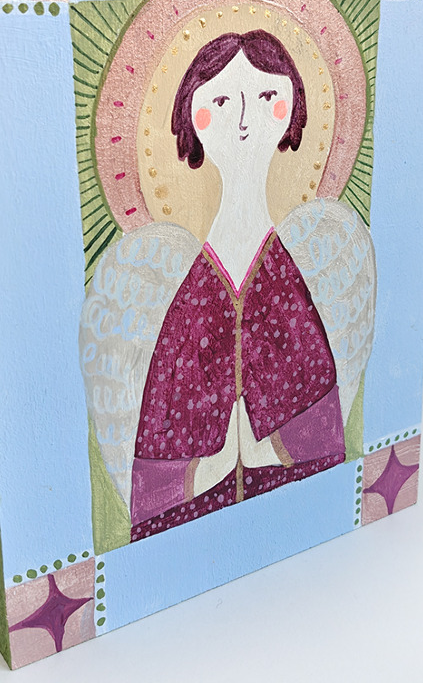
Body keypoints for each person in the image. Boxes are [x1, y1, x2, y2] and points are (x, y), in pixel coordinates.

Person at [129, 30, 346, 540]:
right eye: (223, 101)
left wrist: (265, 448)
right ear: (193, 118)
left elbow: (322, 438)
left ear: (290, 112)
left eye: (266, 96)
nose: (245, 120)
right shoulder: (192, 300)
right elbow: (156, 479)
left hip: (294, 526)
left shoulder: (285, 283)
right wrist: (214, 464)